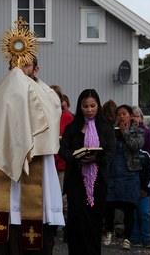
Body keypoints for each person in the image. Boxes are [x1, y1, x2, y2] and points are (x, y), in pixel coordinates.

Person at [0, 19, 65, 254]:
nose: (19, 71)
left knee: (36, 238)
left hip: (37, 169)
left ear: (36, 69)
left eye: (26, 66)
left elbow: (51, 122)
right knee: (5, 239)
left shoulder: (49, 96)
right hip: (3, 171)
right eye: (15, 65)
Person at [58, 89, 115, 254]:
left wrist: (95, 159)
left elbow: (111, 152)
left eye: (92, 105)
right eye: (85, 106)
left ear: (98, 105)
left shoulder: (105, 127)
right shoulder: (72, 127)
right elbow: (63, 151)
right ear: (79, 107)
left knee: (94, 223)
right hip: (76, 181)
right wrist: (76, 156)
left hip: (98, 183)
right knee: (76, 223)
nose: (89, 109)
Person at [102, 104, 145, 250]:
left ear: (131, 116)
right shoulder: (111, 131)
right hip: (113, 172)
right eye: (118, 114)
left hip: (130, 174)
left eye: (124, 113)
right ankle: (108, 231)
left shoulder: (138, 131)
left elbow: (135, 146)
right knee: (109, 203)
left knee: (128, 206)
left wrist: (125, 132)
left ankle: (127, 238)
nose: (121, 116)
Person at [50, 85, 74, 238]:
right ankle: (51, 227)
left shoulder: (67, 117)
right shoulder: (43, 114)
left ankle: (67, 228)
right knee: (50, 197)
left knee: (64, 198)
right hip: (48, 163)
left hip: (62, 164)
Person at [131, 106, 150, 247]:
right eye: (132, 116)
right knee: (133, 212)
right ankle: (134, 238)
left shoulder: (148, 133)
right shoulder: (126, 133)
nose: (134, 118)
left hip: (145, 177)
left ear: (140, 117)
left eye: (136, 115)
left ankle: (147, 239)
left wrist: (147, 185)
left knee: (144, 213)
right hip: (131, 179)